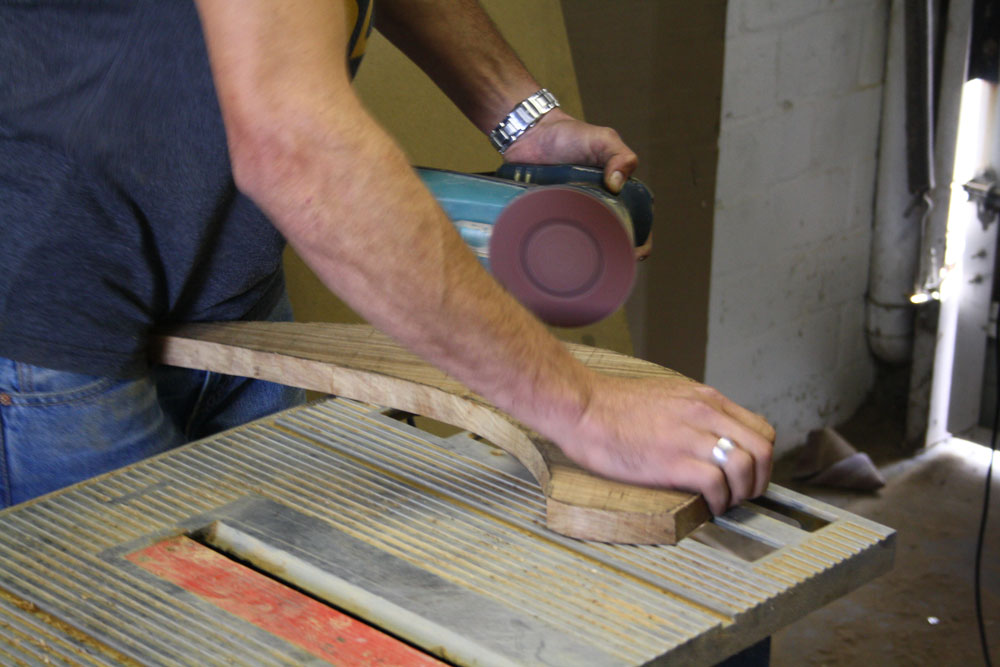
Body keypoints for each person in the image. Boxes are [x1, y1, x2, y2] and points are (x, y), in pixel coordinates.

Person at [0, 0, 775, 515]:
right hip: (49, 315)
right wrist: (581, 407)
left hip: (224, 273)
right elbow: (294, 149)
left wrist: (523, 119)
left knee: (282, 604)